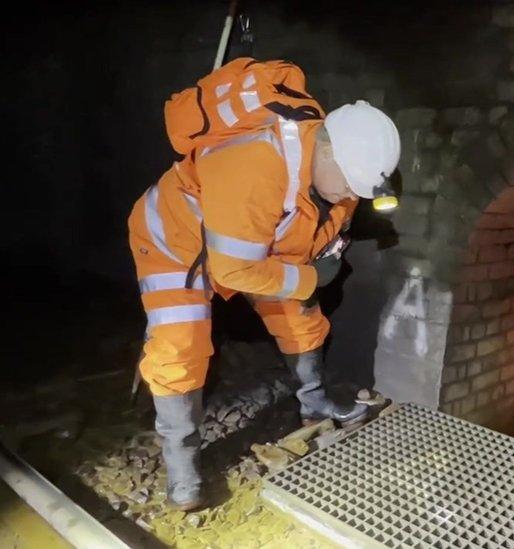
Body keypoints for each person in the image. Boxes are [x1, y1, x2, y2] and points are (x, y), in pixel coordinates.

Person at [127, 58, 400, 510]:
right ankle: (182, 468)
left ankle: (315, 405)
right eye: (349, 184)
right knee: (181, 345)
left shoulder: (333, 176)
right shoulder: (255, 164)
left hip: (256, 240)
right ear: (327, 151)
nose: (351, 196)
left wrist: (313, 270)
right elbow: (233, 270)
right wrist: (310, 276)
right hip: (175, 242)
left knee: (300, 316)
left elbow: (306, 237)